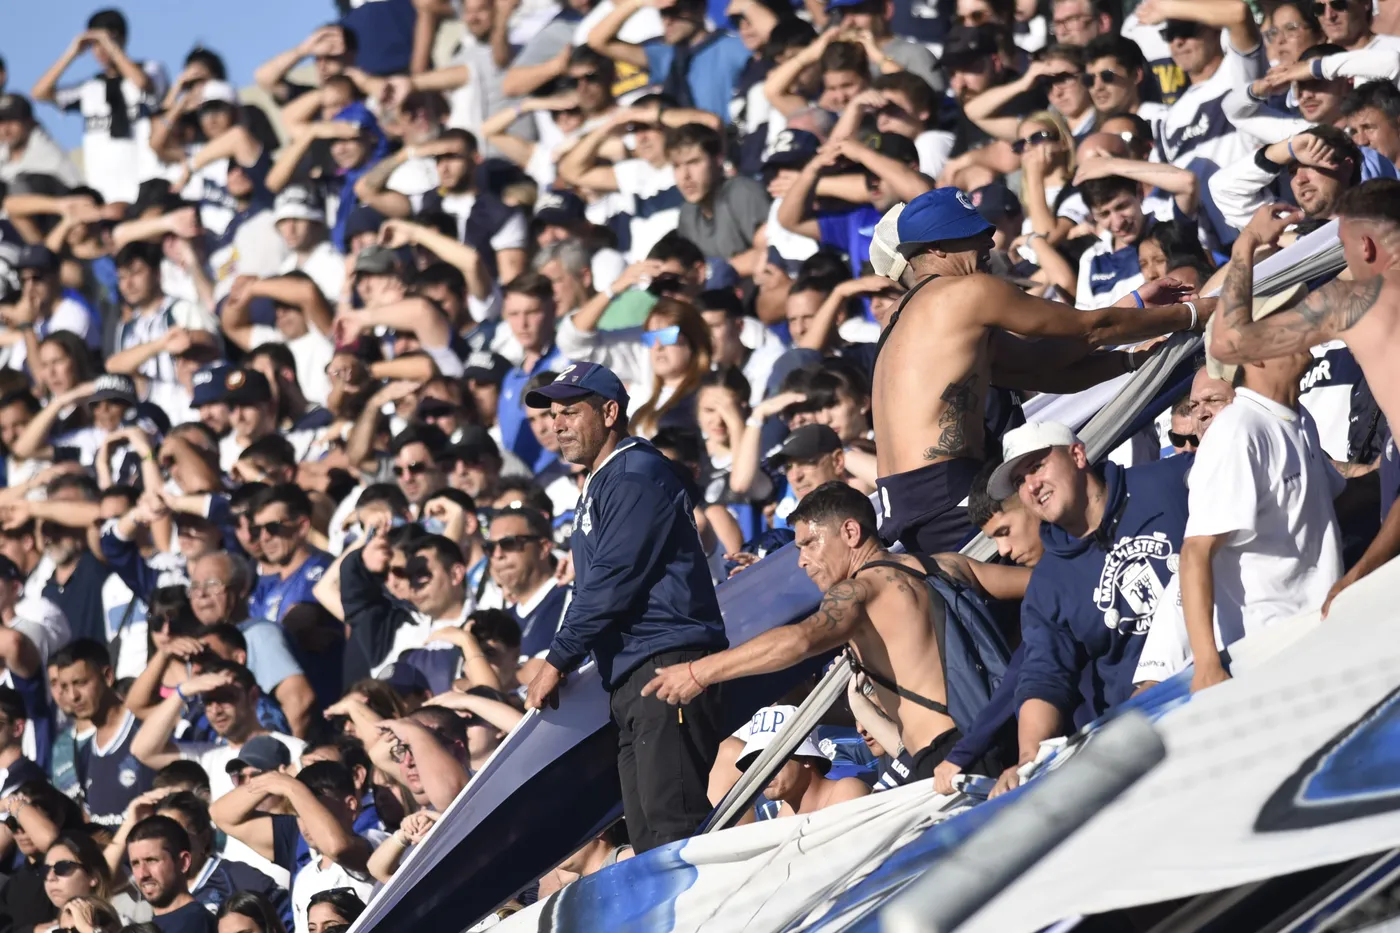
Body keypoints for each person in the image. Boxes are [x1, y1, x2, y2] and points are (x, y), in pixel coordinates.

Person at [866, 186, 1207, 554]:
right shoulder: (966, 293)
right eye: (972, 233)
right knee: (1086, 559)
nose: (990, 240)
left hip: (911, 509)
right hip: (951, 499)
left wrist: (1131, 357)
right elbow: (1091, 329)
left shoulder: (899, 319)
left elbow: (1042, 369)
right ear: (936, 248)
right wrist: (1194, 314)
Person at [648, 481, 989, 779]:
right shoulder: (945, 564)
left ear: (851, 533)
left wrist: (699, 672)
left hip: (947, 758)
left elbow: (800, 640)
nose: (801, 560)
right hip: (990, 731)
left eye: (810, 544)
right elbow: (1037, 583)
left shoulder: (858, 590)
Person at [521, 363, 728, 853]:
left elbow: (611, 582)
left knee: (675, 835)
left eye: (571, 411)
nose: (558, 424)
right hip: (637, 674)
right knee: (650, 841)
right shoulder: (604, 479)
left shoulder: (636, 474)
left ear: (610, 412)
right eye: (552, 414)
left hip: (667, 667)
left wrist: (557, 660)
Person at [1208, 189, 1400, 614]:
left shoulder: (1355, 300)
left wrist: (1246, 243)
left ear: (1365, 246)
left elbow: (1225, 342)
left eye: (1345, 250)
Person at [985, 421, 1192, 797]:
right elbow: (1043, 677)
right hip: (1147, 731)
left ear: (1078, 455)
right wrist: (1029, 758)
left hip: (1227, 675)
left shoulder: (1170, 482)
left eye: (1037, 467)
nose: (1030, 486)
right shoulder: (1048, 585)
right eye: (1019, 481)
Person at [29, 8, 167, 204]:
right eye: (94, 45)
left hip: (147, 179)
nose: (101, 50)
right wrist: (73, 52)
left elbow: (143, 84)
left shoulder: (151, 69)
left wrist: (112, 47)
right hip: (103, 190)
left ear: (122, 39)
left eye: (107, 41)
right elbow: (39, 93)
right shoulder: (89, 88)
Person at [129, 661, 306, 799]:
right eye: (208, 702)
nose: (216, 710)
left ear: (252, 696)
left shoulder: (295, 750)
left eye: (226, 698)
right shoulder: (208, 756)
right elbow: (143, 750)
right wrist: (183, 691)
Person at [52, 638, 154, 826]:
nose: (73, 696)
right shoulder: (83, 753)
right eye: (65, 687)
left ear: (107, 676)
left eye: (80, 683)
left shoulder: (144, 727)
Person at [735, 704, 869, 817]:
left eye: (771, 758)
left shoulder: (846, 791)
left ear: (807, 759)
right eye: (754, 760)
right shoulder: (784, 816)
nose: (761, 770)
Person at [128, 815, 218, 933]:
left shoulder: (194, 923)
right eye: (135, 863)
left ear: (183, 862)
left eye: (151, 860)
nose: (142, 874)